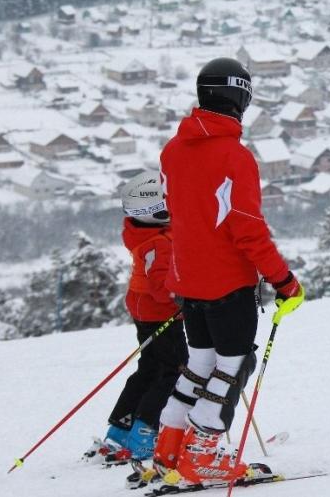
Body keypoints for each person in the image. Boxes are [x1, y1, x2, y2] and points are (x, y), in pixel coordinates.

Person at [151, 57, 305, 485]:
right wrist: (286, 283)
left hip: (187, 284)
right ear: (240, 97)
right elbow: (249, 232)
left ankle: (169, 448)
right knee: (232, 366)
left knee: (199, 363)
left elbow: (175, 214)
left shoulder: (172, 150)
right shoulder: (235, 157)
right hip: (227, 285)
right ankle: (203, 454)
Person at [90, 172, 187, 463]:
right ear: (154, 210)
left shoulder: (141, 233)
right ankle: (145, 433)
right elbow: (162, 288)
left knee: (150, 368)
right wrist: (188, 298)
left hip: (143, 309)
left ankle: (120, 431)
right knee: (173, 371)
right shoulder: (160, 243)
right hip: (160, 312)